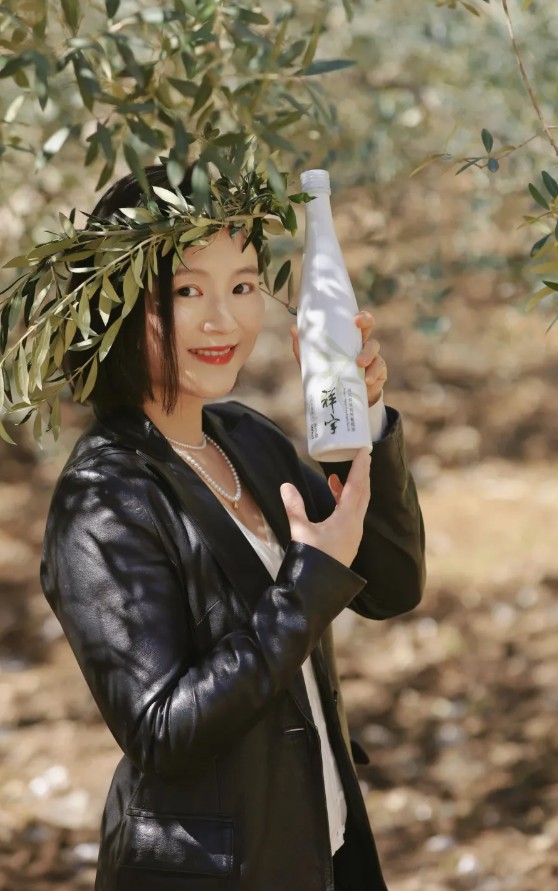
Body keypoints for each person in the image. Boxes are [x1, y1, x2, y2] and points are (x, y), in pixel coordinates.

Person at [39, 163, 425, 891]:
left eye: (243, 286)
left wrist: (362, 421)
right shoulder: (103, 498)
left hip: (321, 849)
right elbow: (162, 731)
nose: (224, 320)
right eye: (188, 291)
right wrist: (305, 587)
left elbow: (392, 585)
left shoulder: (247, 439)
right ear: (118, 303)